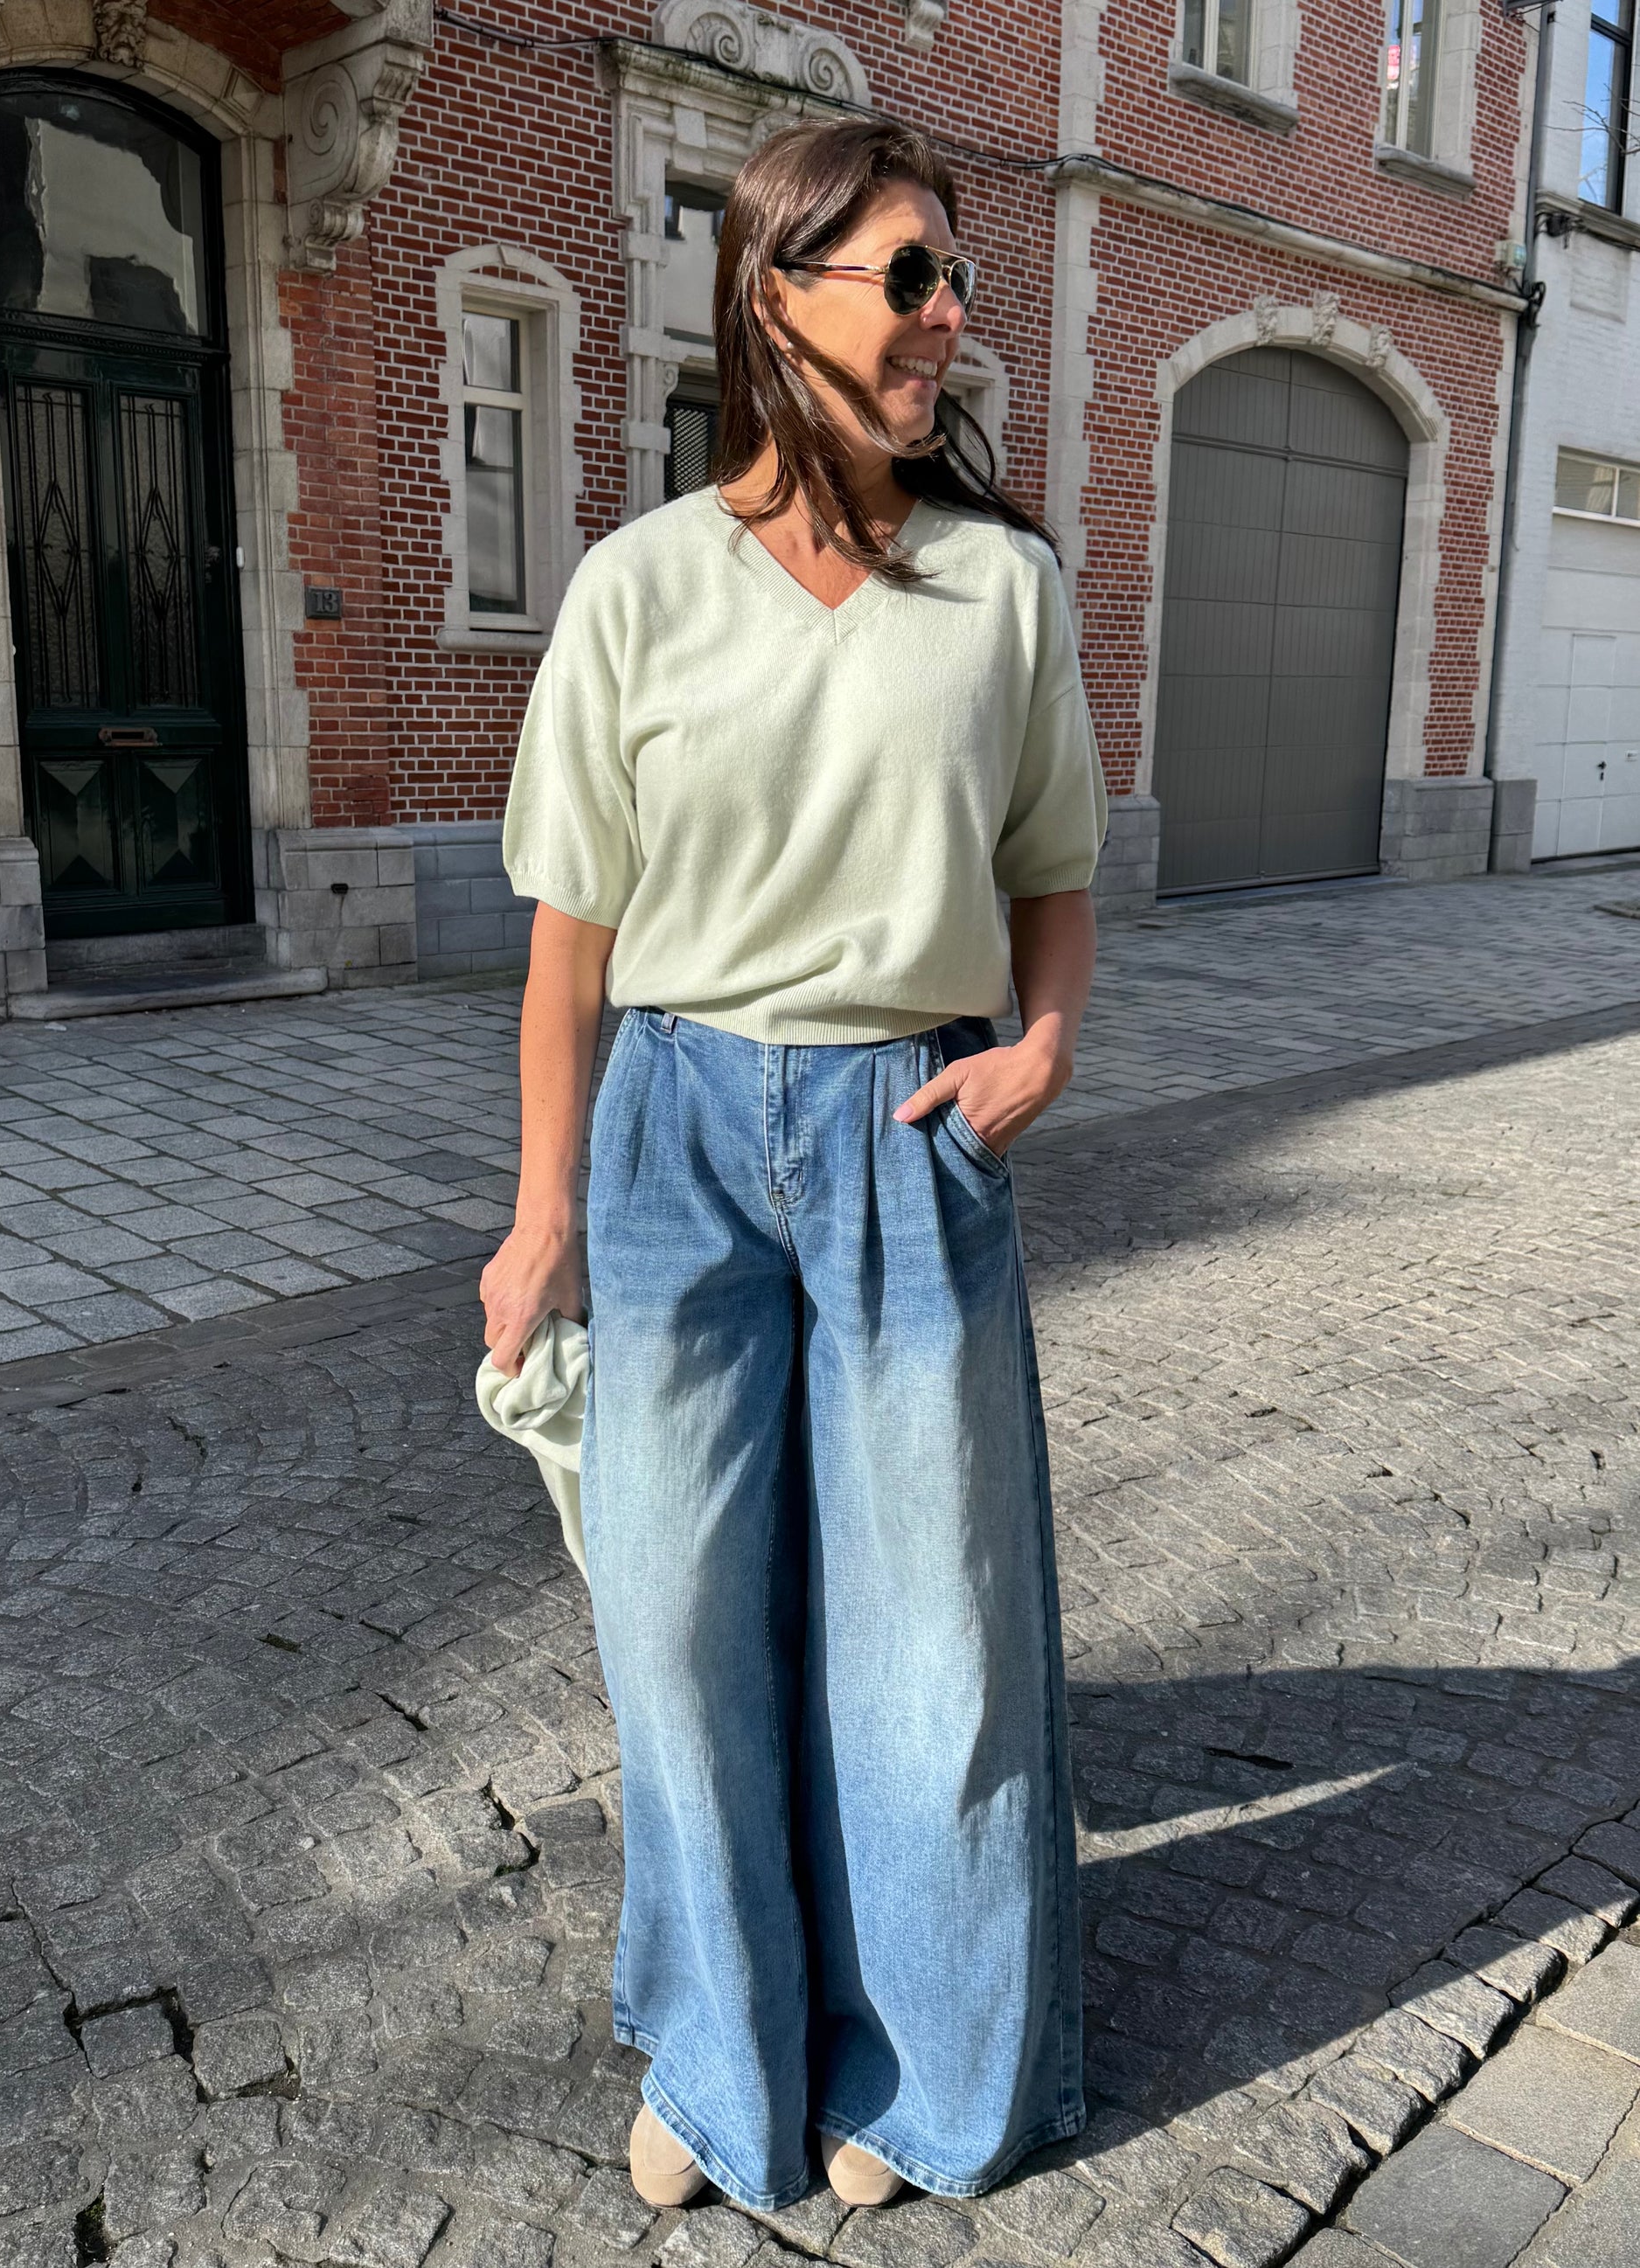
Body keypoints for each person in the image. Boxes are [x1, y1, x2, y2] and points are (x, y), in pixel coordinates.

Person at [481, 114, 1106, 2216]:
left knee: (930, 1637)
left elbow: (1053, 872)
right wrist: (542, 1218)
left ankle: (925, 2064)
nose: (949, 317)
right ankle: (718, 2048)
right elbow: (568, 943)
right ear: (777, 293)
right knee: (676, 1621)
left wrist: (1041, 1049)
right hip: (671, 1134)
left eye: (954, 279)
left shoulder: (998, 588)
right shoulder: (639, 584)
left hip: (903, 1131)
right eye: (906, 276)